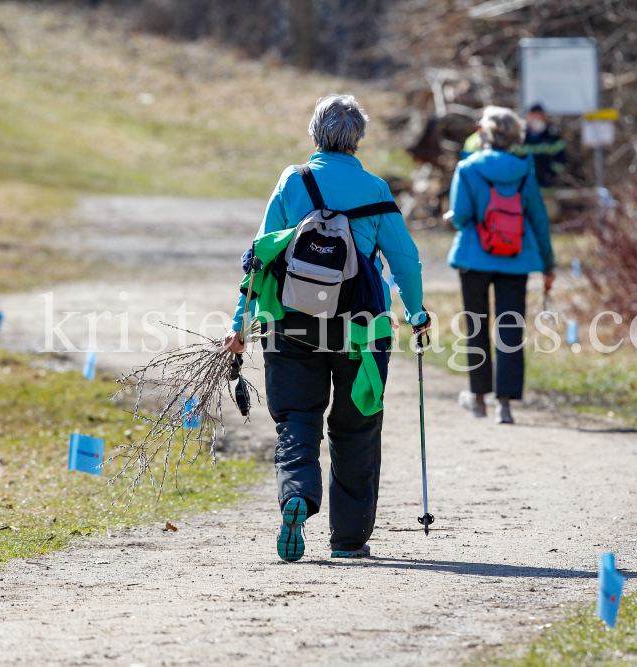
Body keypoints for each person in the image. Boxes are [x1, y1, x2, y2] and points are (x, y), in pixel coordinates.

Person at [222, 94, 429, 562]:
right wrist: (416, 314)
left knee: (297, 418)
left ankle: (296, 496)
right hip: (360, 328)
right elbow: (406, 263)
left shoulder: (292, 181)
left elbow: (260, 256)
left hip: (289, 322)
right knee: (355, 428)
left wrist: (240, 324)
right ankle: (349, 539)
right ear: (357, 138)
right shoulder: (376, 189)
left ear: (315, 133)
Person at [447, 106, 555, 425]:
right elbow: (538, 218)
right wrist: (548, 263)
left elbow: (462, 215)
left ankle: (478, 398)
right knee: (510, 329)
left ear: (485, 134)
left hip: (473, 256)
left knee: (476, 326)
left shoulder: (467, 168)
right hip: (516, 258)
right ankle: (505, 405)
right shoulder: (525, 171)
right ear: (516, 136)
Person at [518, 103, 565, 188]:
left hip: (547, 183)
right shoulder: (521, 136)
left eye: (539, 115)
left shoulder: (552, 135)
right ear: (528, 116)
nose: (536, 118)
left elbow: (561, 158)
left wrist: (552, 174)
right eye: (533, 115)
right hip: (524, 183)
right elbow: (515, 155)